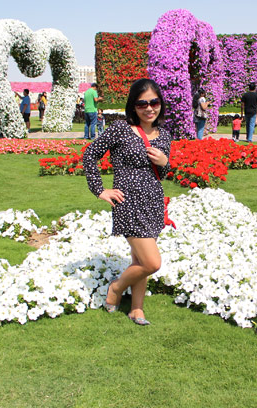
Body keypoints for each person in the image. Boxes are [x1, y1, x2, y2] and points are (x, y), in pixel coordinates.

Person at [83, 78, 171, 326]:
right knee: (152, 263)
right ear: (133, 106)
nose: (149, 108)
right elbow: (91, 153)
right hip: (128, 203)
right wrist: (100, 189)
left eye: (154, 102)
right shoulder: (120, 129)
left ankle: (137, 309)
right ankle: (116, 288)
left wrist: (165, 162)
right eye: (142, 104)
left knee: (139, 261)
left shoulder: (164, 135)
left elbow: (162, 174)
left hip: (152, 202)